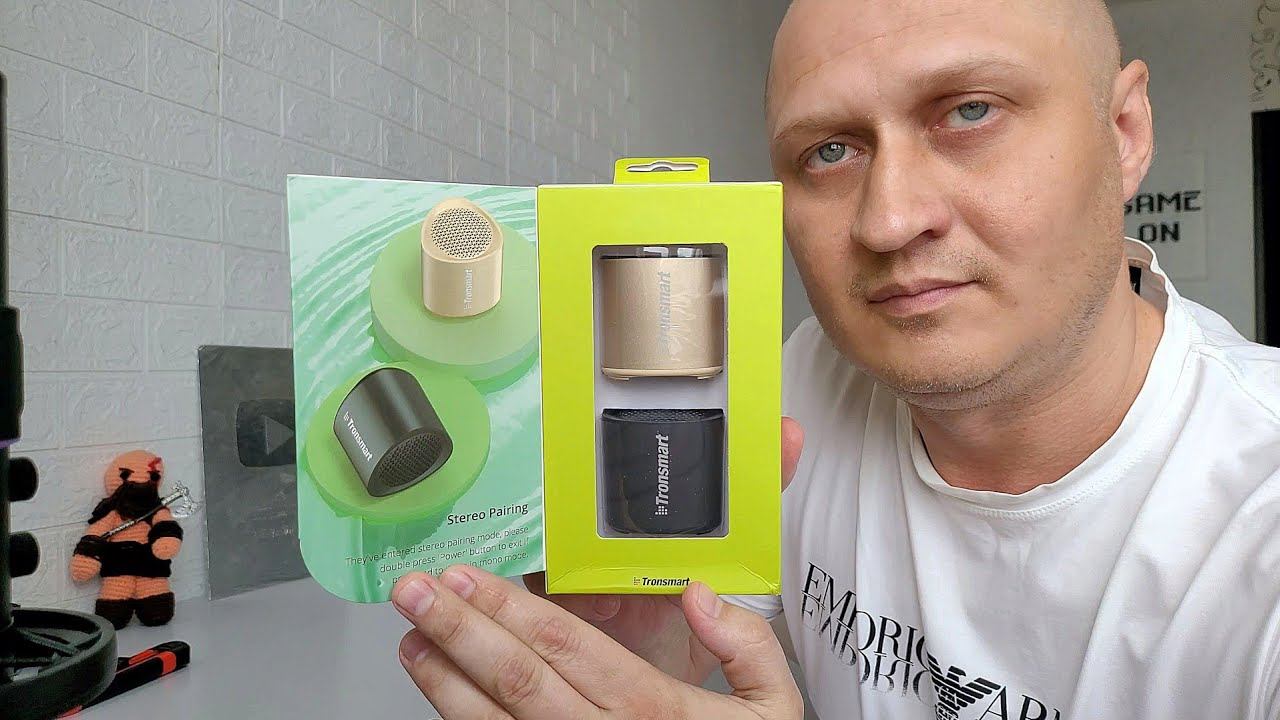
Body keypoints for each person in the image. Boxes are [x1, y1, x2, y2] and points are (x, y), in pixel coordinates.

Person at [386, 0, 1280, 717]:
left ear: (1124, 131)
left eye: (969, 111)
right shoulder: (810, 378)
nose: (889, 220)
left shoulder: (1257, 524)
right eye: (829, 151)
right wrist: (648, 648)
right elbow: (693, 645)